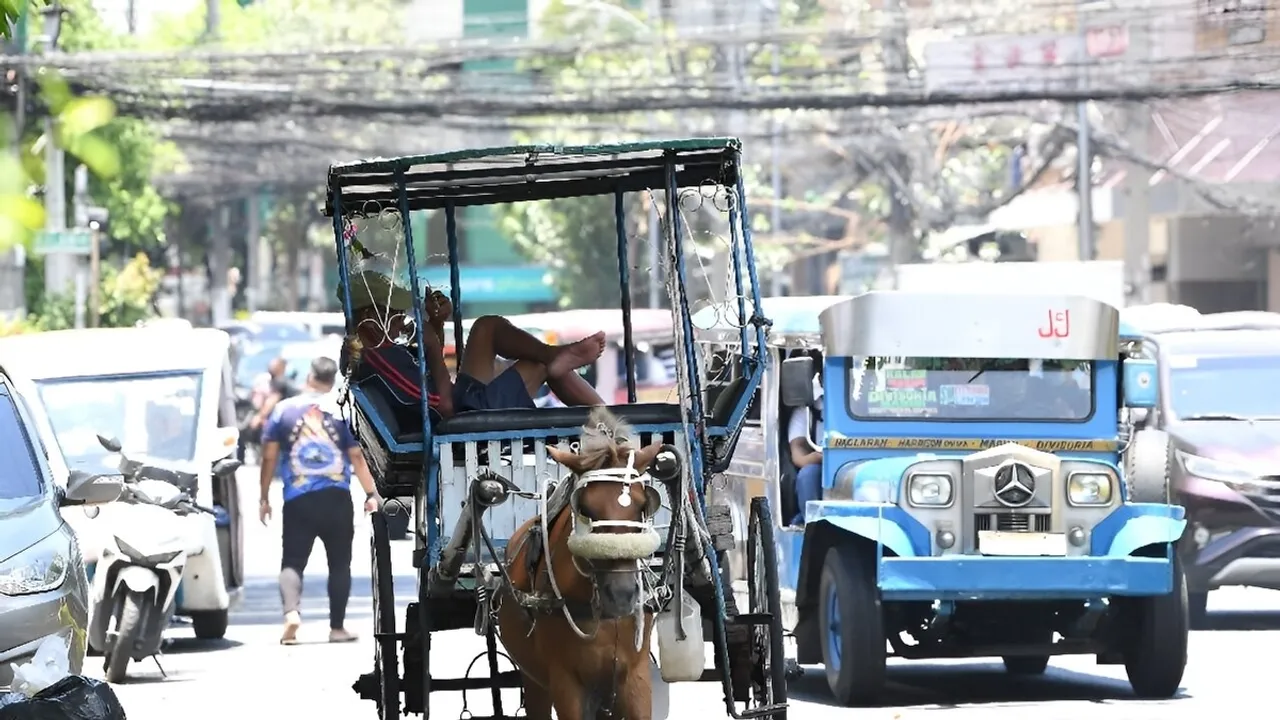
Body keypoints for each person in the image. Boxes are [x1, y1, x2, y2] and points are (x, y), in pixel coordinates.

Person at [343, 269, 607, 417]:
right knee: (536, 365)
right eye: (396, 314)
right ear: (369, 316)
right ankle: (611, 423)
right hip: (459, 418)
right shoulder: (377, 358)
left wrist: (436, 325)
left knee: (486, 326)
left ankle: (555, 355)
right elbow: (442, 405)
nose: (402, 322)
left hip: (459, 403)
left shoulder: (382, 351)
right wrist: (434, 349)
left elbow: (426, 377)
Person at [259, 357, 381, 645]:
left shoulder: (283, 410)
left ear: (309, 376)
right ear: (332, 380)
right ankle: (337, 628)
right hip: (337, 498)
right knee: (339, 564)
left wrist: (263, 497)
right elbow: (356, 456)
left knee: (292, 561)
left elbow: (268, 456)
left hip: (298, 499)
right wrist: (371, 493)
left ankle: (291, 614)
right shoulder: (341, 411)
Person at [240, 357, 297, 461]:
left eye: (274, 365)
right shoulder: (281, 381)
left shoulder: (280, 381)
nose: (269, 367)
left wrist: (259, 417)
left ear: (281, 367)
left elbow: (272, 400)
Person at [787, 368, 824, 527]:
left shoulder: (872, 407)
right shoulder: (807, 411)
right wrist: (819, 458)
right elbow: (798, 454)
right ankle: (812, 526)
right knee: (808, 475)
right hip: (821, 465)